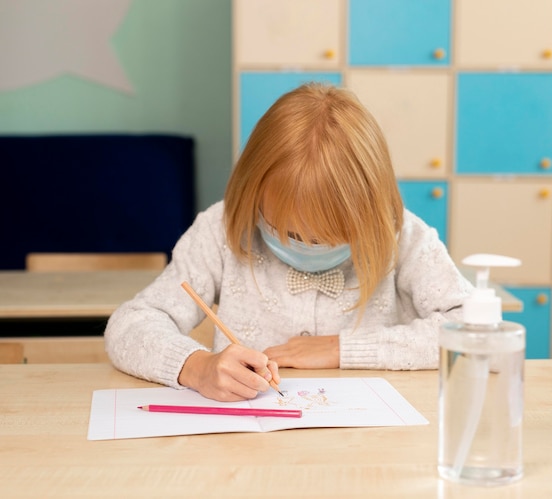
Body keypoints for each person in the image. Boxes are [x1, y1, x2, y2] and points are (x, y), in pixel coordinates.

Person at [104, 82, 473, 402]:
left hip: (369, 445)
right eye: (290, 233)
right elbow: (129, 326)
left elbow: (474, 329)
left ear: (371, 209)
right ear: (253, 193)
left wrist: (341, 349)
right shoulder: (221, 229)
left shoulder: (402, 236)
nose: (308, 247)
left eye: (333, 236)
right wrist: (198, 367)